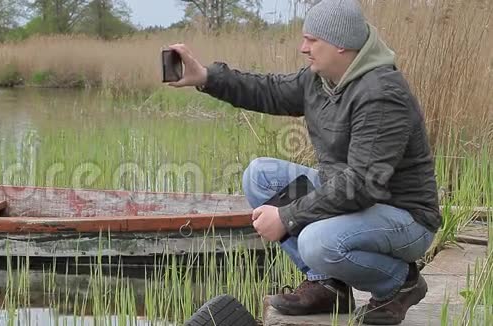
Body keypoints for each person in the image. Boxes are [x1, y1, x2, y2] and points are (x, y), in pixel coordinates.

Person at [167, 0, 442, 324]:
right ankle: (328, 286)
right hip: (355, 201)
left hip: (404, 218)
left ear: (341, 45)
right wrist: (206, 77)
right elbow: (267, 90)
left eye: (312, 40)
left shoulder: (381, 94)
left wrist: (287, 216)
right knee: (260, 175)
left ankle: (399, 284)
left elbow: (363, 184)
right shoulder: (319, 80)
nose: (303, 48)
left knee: (316, 241)